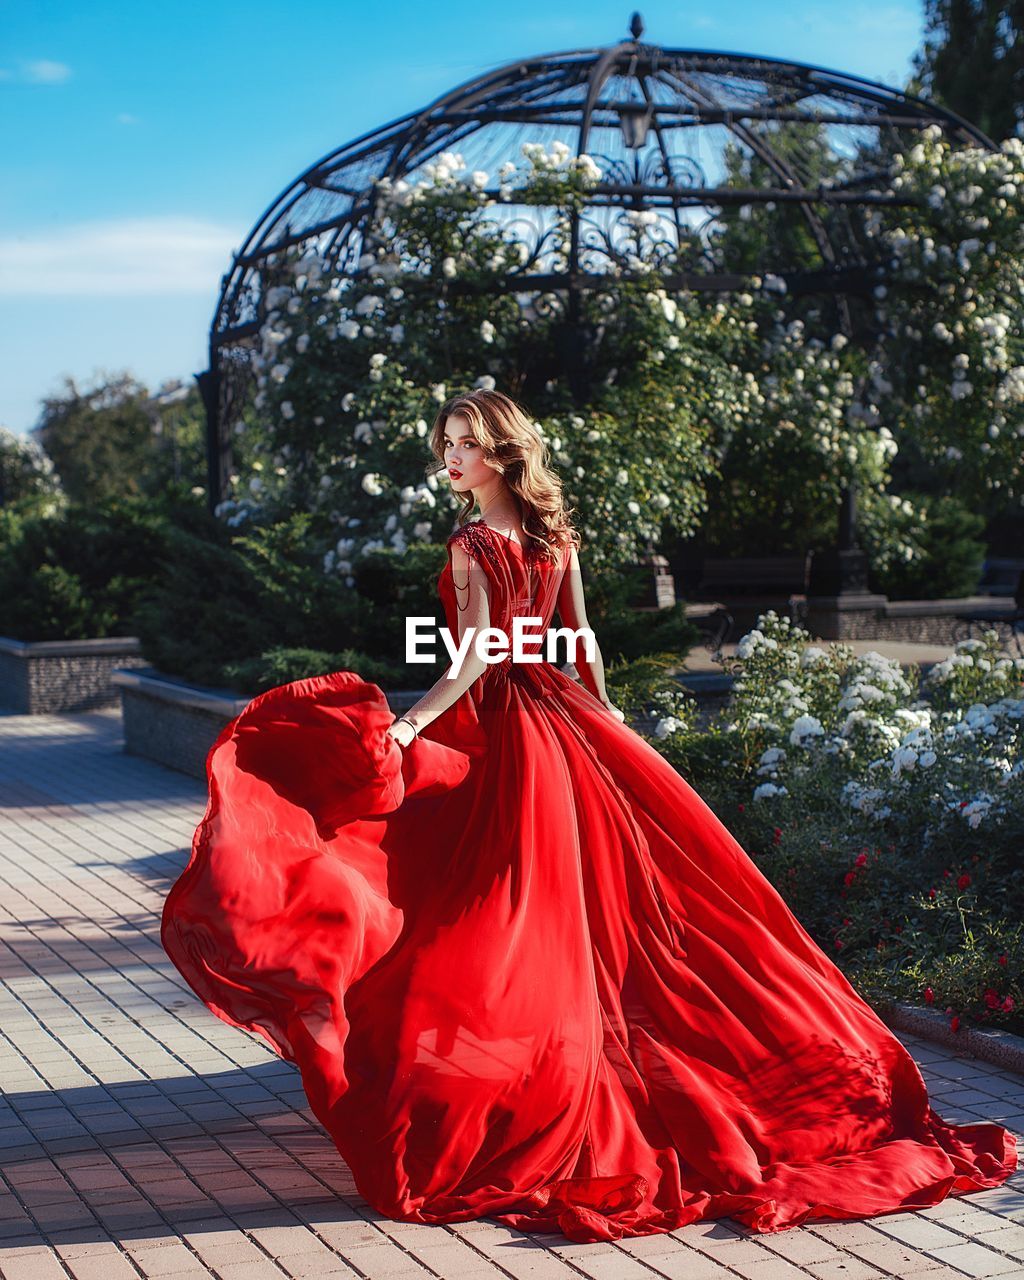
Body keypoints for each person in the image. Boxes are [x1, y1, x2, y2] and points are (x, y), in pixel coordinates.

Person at [161, 388, 1018, 1245]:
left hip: (507, 737)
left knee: (497, 916)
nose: (449, 461)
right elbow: (581, 641)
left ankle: (513, 1079)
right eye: (445, 445)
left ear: (499, 453)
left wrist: (409, 725)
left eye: (463, 445)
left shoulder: (471, 544)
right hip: (568, 724)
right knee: (604, 919)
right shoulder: (554, 535)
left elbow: (477, 658)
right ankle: (573, 1058)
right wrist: (606, 723)